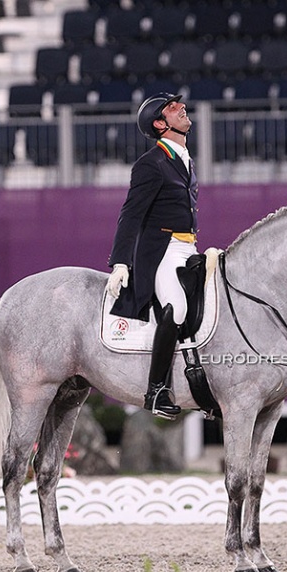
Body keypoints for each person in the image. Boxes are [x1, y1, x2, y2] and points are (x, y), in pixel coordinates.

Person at [106, 93, 199, 419]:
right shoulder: (151, 163)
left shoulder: (184, 159)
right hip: (163, 251)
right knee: (175, 309)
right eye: (172, 108)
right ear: (160, 124)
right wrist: (120, 261)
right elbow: (131, 215)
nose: (181, 108)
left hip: (189, 248)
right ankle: (157, 390)